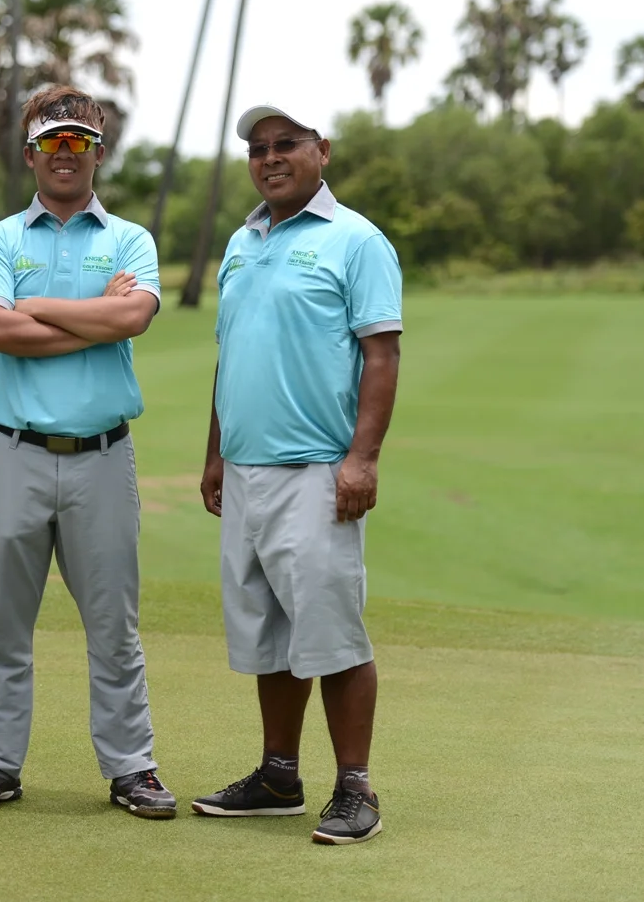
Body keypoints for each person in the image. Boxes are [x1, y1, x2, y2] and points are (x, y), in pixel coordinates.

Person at [0, 84, 175, 819]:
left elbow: (133, 317)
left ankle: (131, 766)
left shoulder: (130, 240)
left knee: (114, 626)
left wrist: (38, 306)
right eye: (52, 141)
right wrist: (95, 317)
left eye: (80, 141)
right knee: (2, 624)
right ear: (30, 153)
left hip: (102, 457)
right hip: (14, 452)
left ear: (99, 151)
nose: (66, 153)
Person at [192, 103, 403, 846]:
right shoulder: (241, 241)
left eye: (287, 143)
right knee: (268, 632)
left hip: (317, 470)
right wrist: (216, 453)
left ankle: (355, 788)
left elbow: (382, 353)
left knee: (330, 631)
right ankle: (279, 776)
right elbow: (232, 353)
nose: (270, 157)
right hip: (246, 468)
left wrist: (362, 459)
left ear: (323, 150)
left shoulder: (356, 240)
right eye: (258, 148)